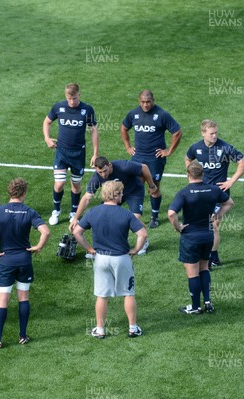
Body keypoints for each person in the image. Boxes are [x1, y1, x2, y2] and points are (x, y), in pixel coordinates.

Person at [72, 181, 147, 339]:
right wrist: (136, 249)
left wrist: (89, 249)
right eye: (120, 193)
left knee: (101, 295)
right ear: (116, 195)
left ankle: (100, 330)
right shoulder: (126, 214)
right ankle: (132, 328)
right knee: (128, 293)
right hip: (122, 258)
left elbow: (77, 233)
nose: (122, 196)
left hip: (101, 259)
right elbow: (143, 234)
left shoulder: (93, 212)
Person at [0, 178, 50, 348]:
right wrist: (38, 247)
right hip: (24, 260)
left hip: (6, 261)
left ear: (9, 192)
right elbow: (46, 232)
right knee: (23, 298)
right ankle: (23, 336)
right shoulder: (29, 212)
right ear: (24, 193)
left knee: (2, 300)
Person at [168, 161, 234, 314]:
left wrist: (178, 228)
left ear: (188, 175)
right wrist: (216, 216)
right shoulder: (213, 190)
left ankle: (196, 307)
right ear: (203, 174)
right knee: (204, 268)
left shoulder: (184, 192)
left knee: (192, 273)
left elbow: (171, 213)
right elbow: (229, 202)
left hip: (191, 238)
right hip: (208, 236)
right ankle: (208, 302)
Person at [185, 119, 244, 268]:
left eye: (216, 133)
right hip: (201, 193)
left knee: (213, 225)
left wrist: (231, 181)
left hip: (218, 194)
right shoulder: (196, 148)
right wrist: (191, 176)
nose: (214, 136)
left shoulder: (225, 148)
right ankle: (207, 255)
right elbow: (188, 158)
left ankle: (213, 258)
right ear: (203, 133)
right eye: (211, 133)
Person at [69, 156, 159, 255]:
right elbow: (87, 198)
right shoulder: (96, 177)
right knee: (103, 215)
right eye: (100, 172)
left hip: (134, 191)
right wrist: (75, 218)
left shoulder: (124, 166)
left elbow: (144, 167)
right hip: (114, 194)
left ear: (110, 165)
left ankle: (144, 241)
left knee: (135, 218)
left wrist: (152, 185)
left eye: (105, 171)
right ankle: (106, 245)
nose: (103, 175)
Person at [120, 89, 182, 228]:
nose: (146, 105)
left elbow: (177, 132)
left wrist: (168, 151)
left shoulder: (162, 114)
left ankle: (154, 217)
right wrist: (128, 146)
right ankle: (136, 214)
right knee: (136, 186)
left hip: (155, 159)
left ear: (153, 101)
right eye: (143, 102)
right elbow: (124, 128)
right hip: (138, 157)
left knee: (154, 187)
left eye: (148, 102)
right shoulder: (133, 114)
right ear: (139, 101)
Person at [43, 82, 99, 225]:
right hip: (61, 152)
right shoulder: (58, 107)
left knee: (76, 184)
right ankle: (56, 210)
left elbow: (93, 130)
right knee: (59, 184)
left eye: (74, 98)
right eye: (69, 99)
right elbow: (47, 122)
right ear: (65, 96)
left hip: (79, 153)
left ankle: (74, 212)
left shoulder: (87, 109)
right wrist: (47, 138)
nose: (72, 101)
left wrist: (95, 153)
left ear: (79, 95)